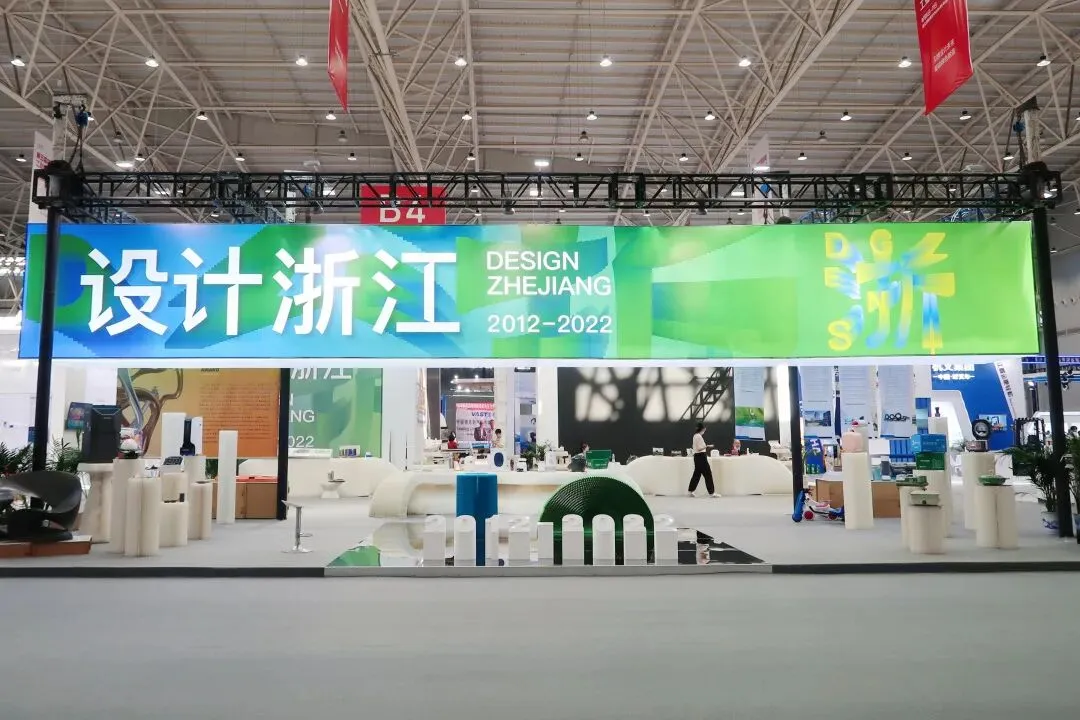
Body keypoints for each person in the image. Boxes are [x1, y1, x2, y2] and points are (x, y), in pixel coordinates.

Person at [687, 422, 718, 498]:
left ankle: (690, 491)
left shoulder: (695, 436)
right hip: (701, 457)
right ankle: (712, 493)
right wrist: (707, 446)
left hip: (697, 457)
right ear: (702, 429)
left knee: (696, 474)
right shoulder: (699, 436)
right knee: (708, 474)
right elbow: (699, 448)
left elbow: (694, 447)